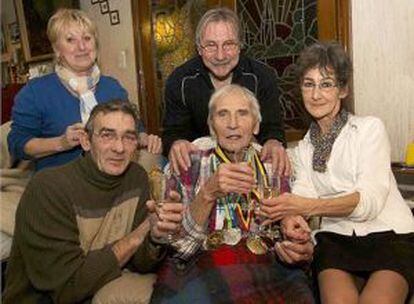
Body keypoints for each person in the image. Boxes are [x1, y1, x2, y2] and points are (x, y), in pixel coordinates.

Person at [262, 42, 414, 303]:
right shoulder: (303, 149)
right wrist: (293, 220)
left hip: (390, 235)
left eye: (326, 84)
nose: (316, 94)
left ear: (343, 89)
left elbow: (369, 202)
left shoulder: (369, 129)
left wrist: (305, 207)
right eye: (308, 84)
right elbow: (303, 193)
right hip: (335, 239)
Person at [2, 100, 184, 303]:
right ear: (86, 141)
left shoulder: (137, 177)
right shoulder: (48, 188)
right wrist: (140, 233)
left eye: (128, 137)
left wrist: (155, 237)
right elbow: (66, 288)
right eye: (107, 135)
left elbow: (142, 263)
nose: (119, 147)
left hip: (99, 288)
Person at [151, 84, 314, 303]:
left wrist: (298, 247)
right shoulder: (189, 163)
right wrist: (207, 193)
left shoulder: (276, 164)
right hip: (201, 261)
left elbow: (293, 236)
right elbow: (181, 248)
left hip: (267, 265)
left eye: (242, 114)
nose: (233, 124)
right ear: (211, 125)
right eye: (222, 114)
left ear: (256, 125)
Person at [8, 8, 161, 172]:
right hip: (62, 182)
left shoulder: (113, 87)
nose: (81, 46)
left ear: (95, 44)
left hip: (113, 180)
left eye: (87, 38)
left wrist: (145, 139)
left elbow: (136, 129)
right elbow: (17, 144)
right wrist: (61, 143)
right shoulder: (35, 91)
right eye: (70, 40)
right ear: (57, 49)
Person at [162, 7, 290, 176]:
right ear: (199, 49)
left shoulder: (262, 76)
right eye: (211, 46)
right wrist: (176, 143)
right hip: (199, 171)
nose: (220, 56)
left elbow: (273, 127)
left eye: (228, 44)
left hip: (248, 166)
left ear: (240, 46)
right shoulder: (179, 81)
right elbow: (172, 132)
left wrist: (274, 142)